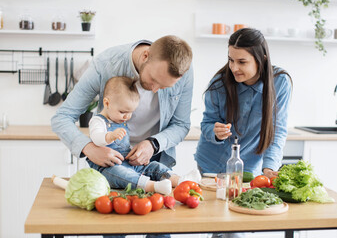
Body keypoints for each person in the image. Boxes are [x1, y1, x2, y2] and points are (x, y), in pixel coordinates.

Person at [51, 35, 197, 238]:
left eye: (164, 87)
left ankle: (180, 180)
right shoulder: (106, 65)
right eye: (153, 80)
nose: (155, 89)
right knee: (114, 230)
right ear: (145, 56)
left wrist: (153, 144)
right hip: (112, 161)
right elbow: (62, 118)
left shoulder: (184, 72)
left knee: (160, 231)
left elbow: (181, 125)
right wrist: (90, 149)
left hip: (154, 157)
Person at [194, 28, 292, 238]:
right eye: (231, 60)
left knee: (237, 225)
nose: (234, 68)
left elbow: (278, 129)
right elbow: (206, 123)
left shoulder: (279, 82)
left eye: (242, 62)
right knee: (222, 223)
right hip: (212, 165)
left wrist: (269, 167)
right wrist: (215, 131)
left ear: (261, 59)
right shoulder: (219, 83)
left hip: (248, 167)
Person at [88, 76, 200, 195]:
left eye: (130, 112)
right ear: (107, 103)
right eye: (123, 112)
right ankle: (154, 186)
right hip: (107, 168)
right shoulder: (98, 121)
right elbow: (96, 138)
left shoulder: (120, 120)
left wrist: (136, 156)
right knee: (123, 174)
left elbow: (123, 147)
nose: (127, 117)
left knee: (154, 166)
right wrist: (109, 136)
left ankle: (180, 180)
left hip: (128, 164)